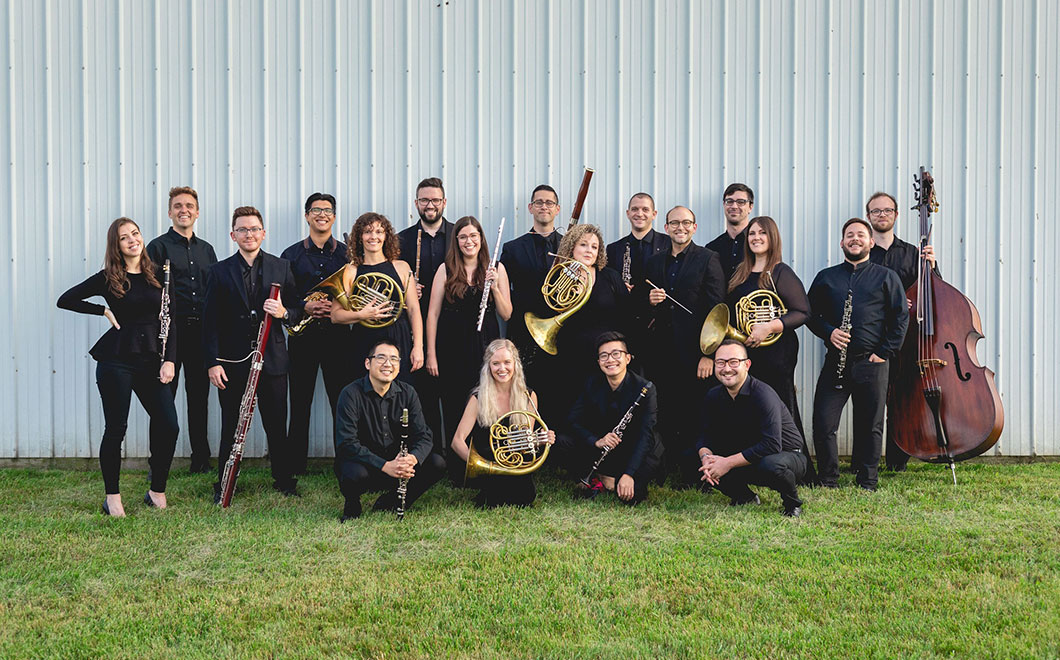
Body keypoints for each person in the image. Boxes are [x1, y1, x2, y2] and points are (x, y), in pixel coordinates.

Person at [58, 217, 179, 516]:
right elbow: (66, 300)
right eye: (124, 237)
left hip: (152, 360)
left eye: (135, 234)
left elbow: (170, 318)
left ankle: (156, 491)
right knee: (116, 429)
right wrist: (102, 309)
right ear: (117, 245)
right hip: (116, 360)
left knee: (169, 425)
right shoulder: (107, 277)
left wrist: (171, 360)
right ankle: (112, 497)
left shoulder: (160, 274)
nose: (132, 240)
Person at [203, 206, 303, 500]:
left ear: (263, 233)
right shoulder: (218, 271)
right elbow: (209, 323)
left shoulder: (281, 267)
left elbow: (299, 308)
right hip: (232, 362)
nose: (249, 234)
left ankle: (284, 480)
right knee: (230, 424)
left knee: (276, 423)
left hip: (272, 359)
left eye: (254, 229)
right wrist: (212, 363)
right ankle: (224, 480)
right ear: (233, 235)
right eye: (243, 229)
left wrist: (284, 312)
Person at [807, 218, 909, 491]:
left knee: (871, 425)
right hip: (835, 362)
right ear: (842, 243)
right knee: (823, 422)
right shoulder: (826, 277)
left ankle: (868, 480)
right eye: (849, 235)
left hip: (872, 362)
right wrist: (829, 332)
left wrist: (884, 352)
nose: (855, 239)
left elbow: (901, 317)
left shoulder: (887, 277)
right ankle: (828, 478)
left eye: (861, 235)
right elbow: (810, 315)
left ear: (871, 242)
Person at [638, 206, 725, 484]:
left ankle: (694, 474)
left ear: (694, 227)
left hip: (695, 355)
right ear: (666, 227)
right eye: (674, 223)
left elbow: (717, 311)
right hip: (660, 354)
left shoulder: (709, 258)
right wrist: (649, 302)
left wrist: (708, 355)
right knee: (665, 413)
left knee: (694, 414)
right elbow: (642, 309)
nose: (680, 227)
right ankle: (667, 469)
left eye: (686, 223)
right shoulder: (654, 262)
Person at [725, 216, 814, 474]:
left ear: (772, 237)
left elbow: (803, 311)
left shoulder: (780, 271)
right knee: (749, 406)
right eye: (751, 233)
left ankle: (799, 467)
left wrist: (769, 326)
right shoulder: (740, 272)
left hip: (777, 353)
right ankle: (753, 464)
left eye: (762, 233)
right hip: (747, 350)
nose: (755, 238)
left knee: (781, 406)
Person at [425, 216, 512, 471]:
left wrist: (494, 286)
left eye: (474, 236)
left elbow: (506, 313)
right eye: (463, 237)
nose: (468, 241)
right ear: (456, 241)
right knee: (454, 403)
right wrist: (431, 353)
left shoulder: (497, 268)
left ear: (482, 239)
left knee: (485, 404)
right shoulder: (446, 269)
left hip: (487, 347)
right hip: (452, 346)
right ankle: (458, 466)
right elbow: (432, 314)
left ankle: (485, 462)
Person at [146, 186, 218, 474]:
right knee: (164, 400)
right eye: (178, 206)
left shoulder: (207, 250)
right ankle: (157, 463)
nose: (183, 210)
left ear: (197, 212)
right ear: (170, 212)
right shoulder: (157, 247)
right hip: (170, 337)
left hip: (200, 334)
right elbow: (151, 293)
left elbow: (214, 292)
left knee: (199, 399)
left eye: (189, 205)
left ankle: (200, 459)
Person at [865, 191, 938, 472]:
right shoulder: (862, 252)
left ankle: (898, 460)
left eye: (887, 210)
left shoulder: (914, 253)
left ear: (896, 215)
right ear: (869, 216)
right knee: (872, 399)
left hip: (908, 337)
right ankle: (867, 460)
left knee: (903, 397)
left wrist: (930, 266)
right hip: (872, 337)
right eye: (876, 211)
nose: (881, 215)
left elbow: (934, 293)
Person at [334, 340, 446, 521]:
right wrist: (385, 466)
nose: (388, 364)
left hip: (398, 466)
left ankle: (392, 500)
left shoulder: (408, 392)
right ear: (368, 363)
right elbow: (346, 443)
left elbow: (424, 436)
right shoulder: (350, 394)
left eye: (394, 359)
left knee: (437, 463)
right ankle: (352, 504)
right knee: (352, 473)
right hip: (368, 466)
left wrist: (412, 459)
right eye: (381, 358)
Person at [280, 192, 351, 475]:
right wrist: (305, 306)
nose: (322, 214)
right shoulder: (291, 254)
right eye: (315, 210)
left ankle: (344, 463)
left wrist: (336, 306)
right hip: (303, 338)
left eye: (327, 210)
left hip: (338, 338)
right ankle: (295, 465)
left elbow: (355, 292)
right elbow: (285, 296)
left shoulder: (348, 253)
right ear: (307, 215)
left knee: (342, 403)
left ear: (334, 217)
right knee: (299, 402)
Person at [696, 340, 808, 517]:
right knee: (705, 463)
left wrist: (727, 462)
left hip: (787, 455)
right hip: (750, 453)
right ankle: (745, 497)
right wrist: (706, 457)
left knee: (770, 464)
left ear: (747, 365)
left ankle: (792, 503)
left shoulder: (763, 394)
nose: (726, 369)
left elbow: (772, 445)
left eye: (734, 362)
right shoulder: (714, 395)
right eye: (721, 362)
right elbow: (705, 435)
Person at [450, 339, 555, 508]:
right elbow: (457, 441)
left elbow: (525, 441)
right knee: (492, 500)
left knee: (526, 497)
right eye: (496, 363)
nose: (502, 369)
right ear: (488, 367)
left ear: (515, 364)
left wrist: (540, 439)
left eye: (507, 362)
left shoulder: (528, 396)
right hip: (489, 461)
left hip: (514, 463)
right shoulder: (478, 397)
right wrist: (482, 466)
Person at [565, 332, 660, 504]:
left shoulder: (645, 388)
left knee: (632, 496)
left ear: (628, 358)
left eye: (616, 354)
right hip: (607, 446)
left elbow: (646, 435)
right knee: (564, 442)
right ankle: (602, 476)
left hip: (635, 449)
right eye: (604, 356)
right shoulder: (592, 384)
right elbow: (573, 420)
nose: (610, 360)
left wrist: (629, 474)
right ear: (599, 362)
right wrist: (596, 441)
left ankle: (607, 480)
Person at [331, 212, 423, 384]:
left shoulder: (401, 267)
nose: (373, 236)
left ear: (386, 236)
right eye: (367, 231)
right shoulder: (350, 271)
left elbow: (413, 310)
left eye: (379, 232)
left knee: (400, 392)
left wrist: (418, 347)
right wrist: (362, 315)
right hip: (364, 338)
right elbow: (335, 316)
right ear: (359, 237)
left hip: (399, 336)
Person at [399, 177, 455, 452]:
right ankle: (432, 455)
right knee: (424, 394)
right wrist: (407, 290)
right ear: (416, 204)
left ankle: (458, 455)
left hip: (455, 324)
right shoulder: (401, 239)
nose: (430, 205)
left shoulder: (460, 235)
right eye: (424, 200)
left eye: (435, 200)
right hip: (417, 327)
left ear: (444, 202)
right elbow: (390, 280)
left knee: (456, 393)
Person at [549, 224, 630, 415]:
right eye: (583, 245)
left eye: (594, 247)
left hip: (605, 357)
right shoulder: (559, 276)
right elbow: (548, 311)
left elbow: (626, 315)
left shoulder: (610, 277)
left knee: (603, 409)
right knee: (573, 409)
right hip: (571, 356)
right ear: (571, 248)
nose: (589, 250)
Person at [500, 184, 563, 410]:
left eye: (549, 203)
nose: (543, 206)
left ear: (558, 209)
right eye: (539, 202)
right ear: (530, 208)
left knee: (561, 392)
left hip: (562, 333)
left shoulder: (571, 246)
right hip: (524, 333)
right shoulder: (512, 248)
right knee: (524, 392)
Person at [605, 192, 671, 292]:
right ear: (628, 213)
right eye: (635, 209)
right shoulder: (613, 249)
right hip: (625, 305)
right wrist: (617, 286)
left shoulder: (669, 244)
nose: (640, 214)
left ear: (654, 214)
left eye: (645, 209)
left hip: (659, 306)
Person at [706, 182, 755, 281]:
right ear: (724, 205)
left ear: (750, 207)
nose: (734, 206)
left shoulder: (759, 244)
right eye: (729, 201)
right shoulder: (711, 249)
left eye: (741, 202)